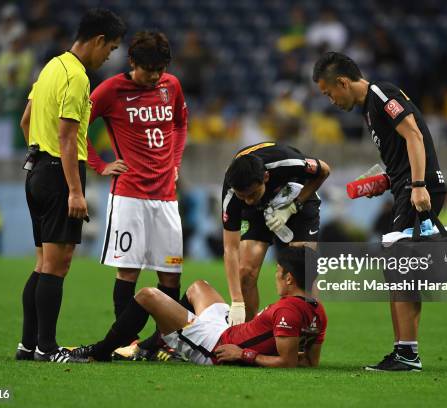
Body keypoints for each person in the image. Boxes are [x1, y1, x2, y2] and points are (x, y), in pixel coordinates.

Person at [313, 52, 446, 371]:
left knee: (403, 273)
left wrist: (416, 185)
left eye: (329, 92)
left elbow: (414, 134)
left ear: (343, 82)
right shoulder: (370, 111)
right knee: (399, 273)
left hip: (417, 192)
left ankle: (408, 355)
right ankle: (403, 351)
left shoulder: (382, 93)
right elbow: (402, 154)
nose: (330, 100)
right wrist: (384, 181)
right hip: (405, 190)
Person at [17, 8, 126, 363]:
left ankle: (28, 345)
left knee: (42, 263)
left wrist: (40, 157)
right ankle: (47, 349)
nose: (107, 56)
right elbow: (67, 137)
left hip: (37, 169)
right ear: (97, 41)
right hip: (59, 173)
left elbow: (26, 121)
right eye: (109, 49)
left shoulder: (50, 67)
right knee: (58, 265)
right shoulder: (78, 77)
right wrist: (75, 190)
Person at [86, 31, 188, 360]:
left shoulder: (170, 85)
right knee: (128, 272)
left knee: (170, 274)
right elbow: (75, 126)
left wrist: (174, 163)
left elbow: (180, 123)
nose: (155, 77)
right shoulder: (112, 90)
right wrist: (99, 164)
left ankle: (161, 343)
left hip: (166, 198)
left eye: (159, 70)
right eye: (148, 70)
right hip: (129, 196)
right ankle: (125, 341)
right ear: (132, 63)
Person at [71, 246, 327, 367]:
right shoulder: (317, 310)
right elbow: (310, 361)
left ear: (290, 278)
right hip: (229, 329)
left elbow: (288, 361)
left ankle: (101, 351)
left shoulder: (288, 311)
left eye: (279, 272)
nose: (276, 276)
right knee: (198, 286)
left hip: (215, 346)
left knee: (148, 295)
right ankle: (155, 345)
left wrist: (245, 355)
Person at [222, 143, 330, 325]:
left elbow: (324, 170)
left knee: (301, 271)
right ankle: (247, 333)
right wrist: (237, 301)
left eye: (251, 193)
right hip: (258, 210)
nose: (247, 200)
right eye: (243, 196)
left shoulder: (288, 162)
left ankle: (304, 334)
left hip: (297, 194)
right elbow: (230, 248)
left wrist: (294, 206)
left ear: (266, 177)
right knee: (246, 272)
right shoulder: (233, 193)